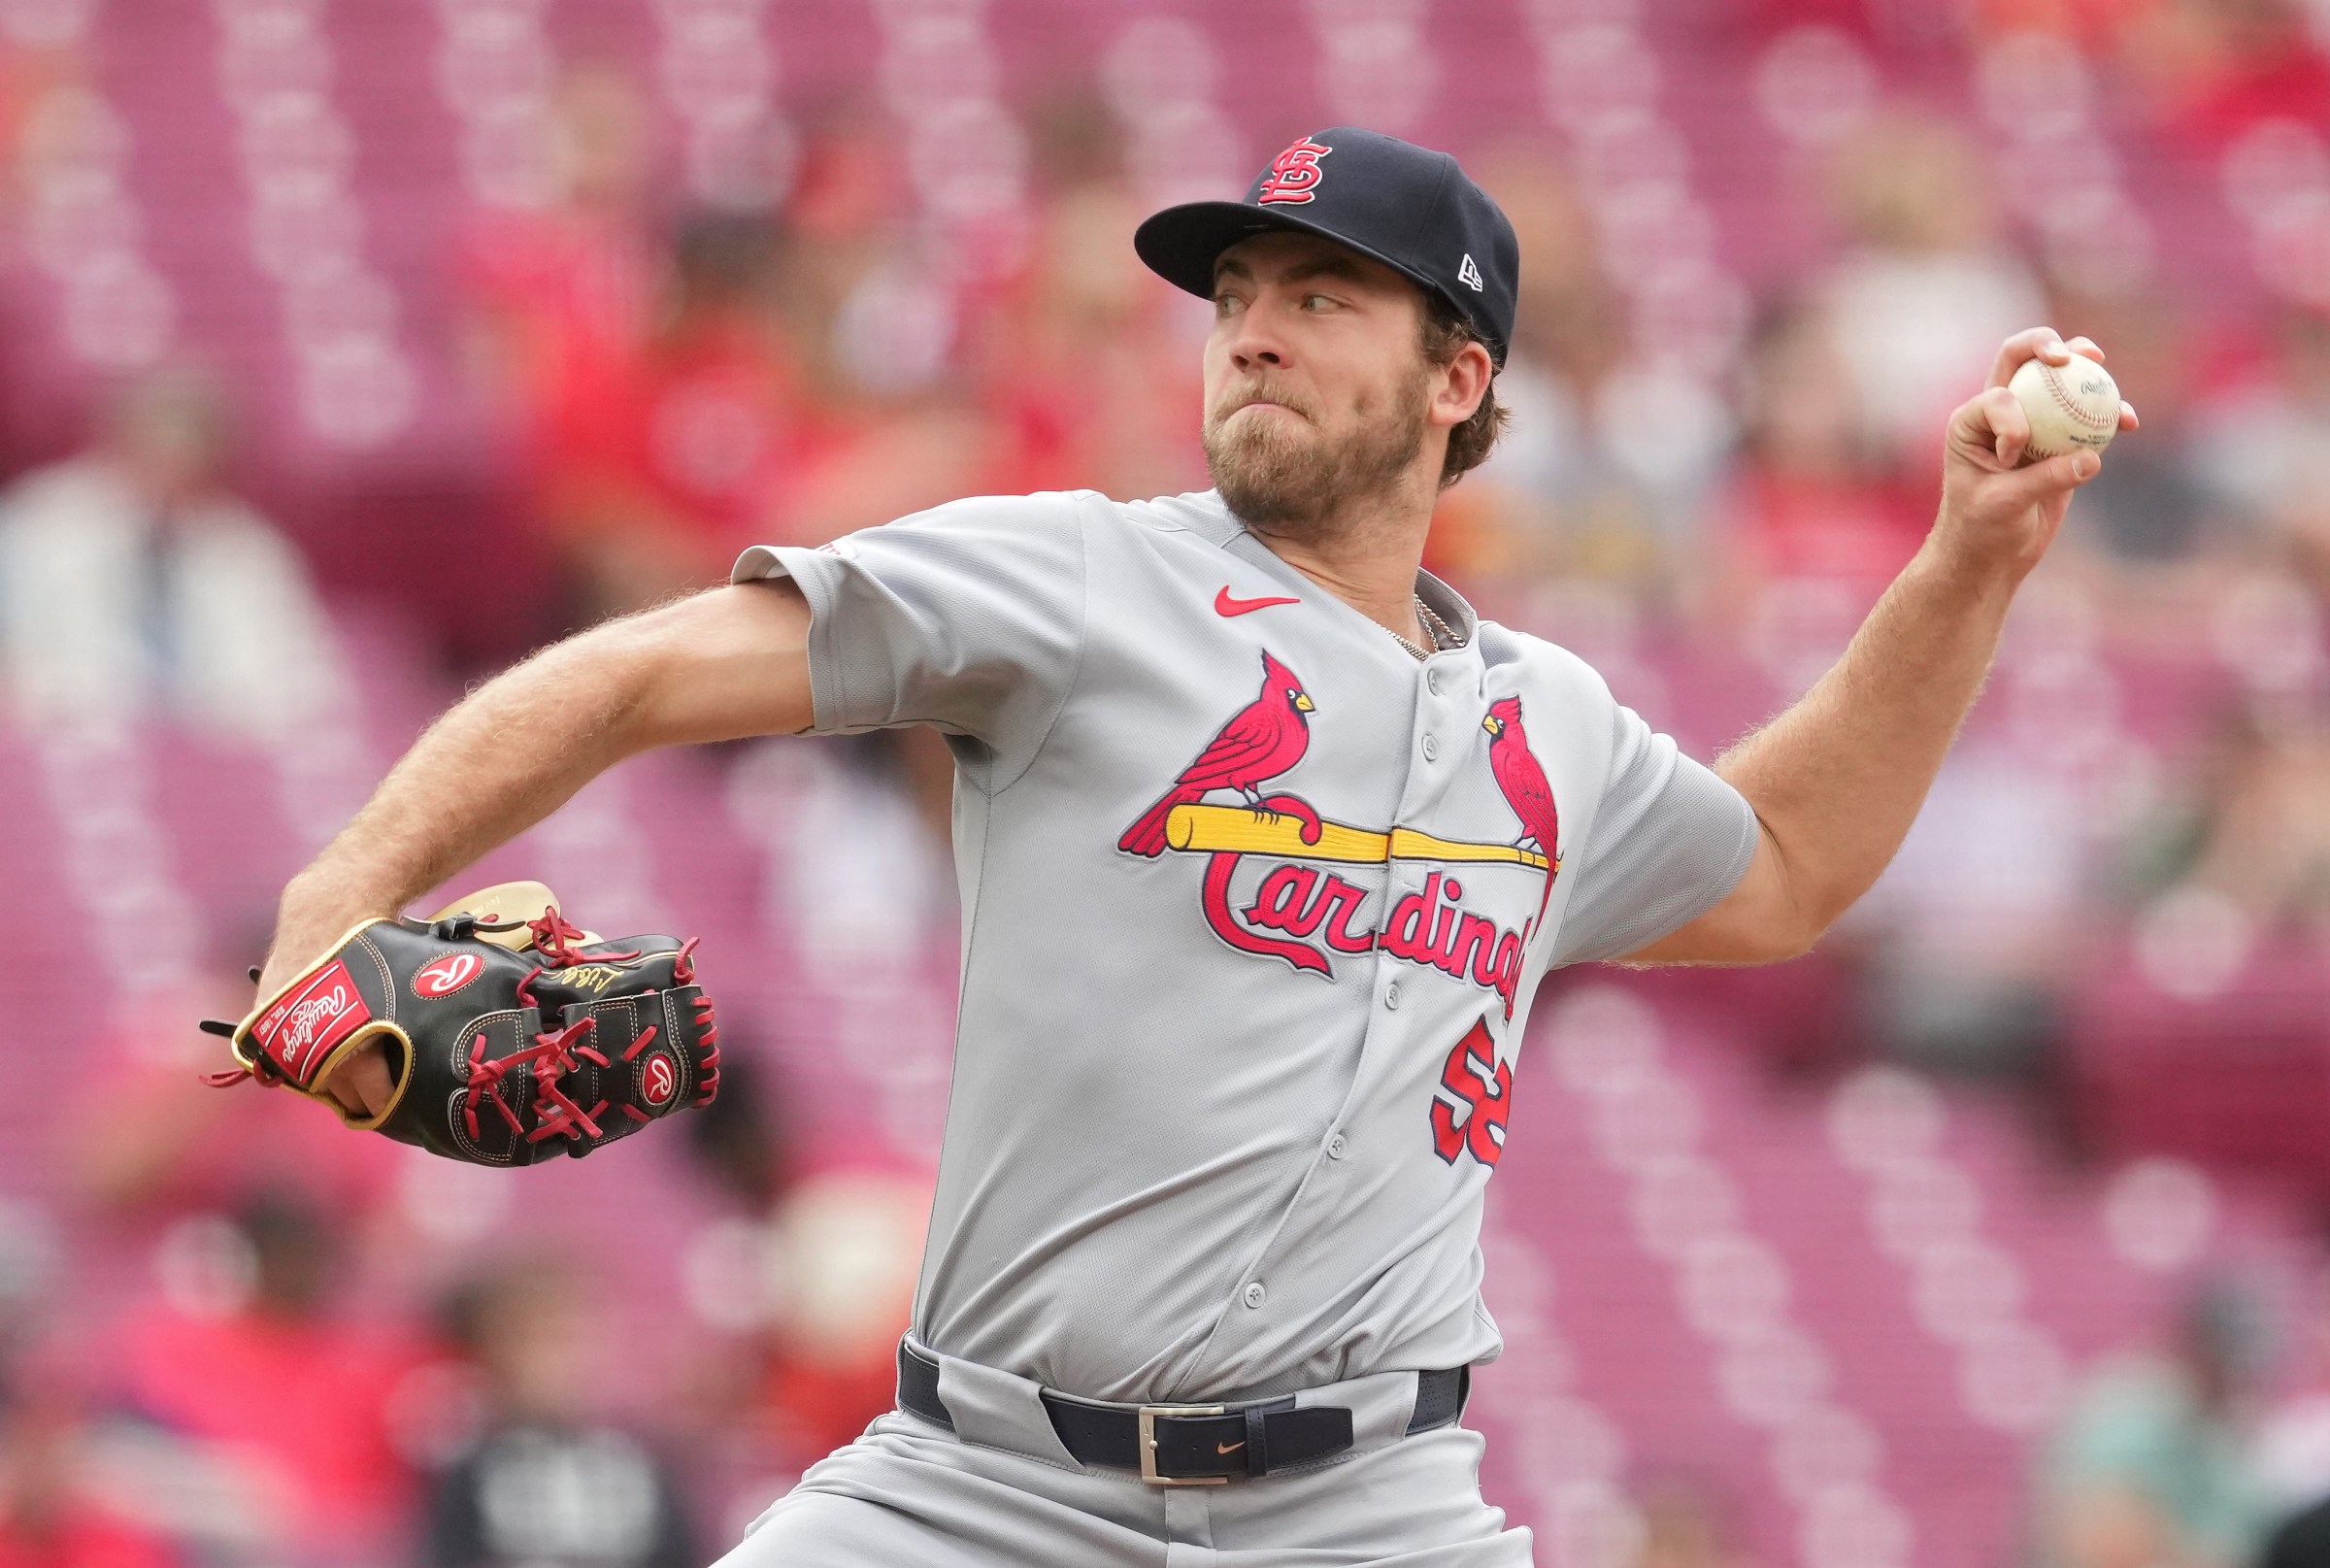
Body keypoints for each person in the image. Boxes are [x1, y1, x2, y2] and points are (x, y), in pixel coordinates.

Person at [241, 127, 2134, 1563]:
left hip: (1370, 1510)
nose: (1254, 334)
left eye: (1322, 298)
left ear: (1459, 378)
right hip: (980, 1491)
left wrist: (1968, 560)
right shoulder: (1080, 580)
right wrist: (339, 896)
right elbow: (642, 671)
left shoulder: (1548, 721)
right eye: (1236, 297)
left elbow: (1789, 864)